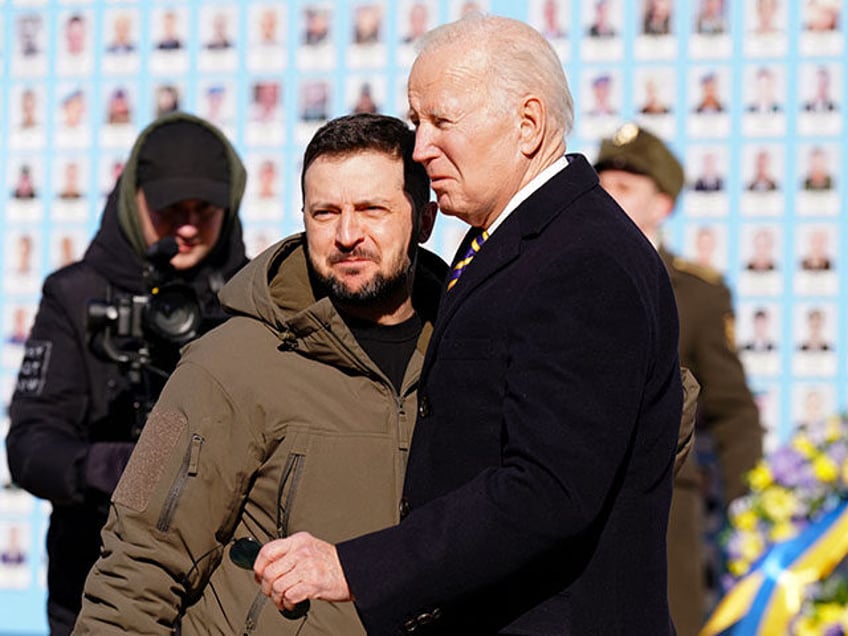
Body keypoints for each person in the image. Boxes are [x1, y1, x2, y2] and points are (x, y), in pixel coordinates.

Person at [252, 15, 692, 635]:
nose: (420, 147)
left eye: (441, 122)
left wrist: (353, 566)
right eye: (415, 123)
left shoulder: (584, 260)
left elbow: (548, 487)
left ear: (528, 125)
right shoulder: (511, 240)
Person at [73, 113, 445, 635]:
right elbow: (137, 563)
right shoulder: (221, 364)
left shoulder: (468, 352)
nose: (346, 234)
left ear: (424, 220)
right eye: (324, 212)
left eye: (371, 210)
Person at [6, 112, 248, 636]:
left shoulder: (250, 302)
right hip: (94, 590)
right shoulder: (75, 296)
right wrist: (108, 466)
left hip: (221, 599)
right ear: (132, 198)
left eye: (203, 210)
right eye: (170, 209)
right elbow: (29, 445)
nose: (186, 226)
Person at [595, 124, 762, 636]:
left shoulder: (697, 294)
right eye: (602, 185)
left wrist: (744, 508)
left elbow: (733, 411)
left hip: (663, 510)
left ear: (662, 205)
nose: (607, 197)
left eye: (625, 188)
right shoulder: (555, 273)